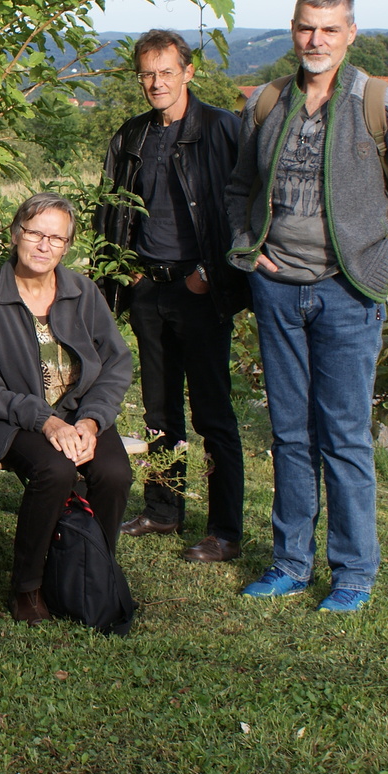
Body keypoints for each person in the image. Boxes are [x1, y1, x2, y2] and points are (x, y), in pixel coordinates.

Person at [226, 0, 388, 612]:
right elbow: (238, 188)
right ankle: (290, 563)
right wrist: (247, 248)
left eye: (330, 28)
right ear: (293, 29)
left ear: (351, 33)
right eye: (307, 27)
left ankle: (353, 574)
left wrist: (380, 261)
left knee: (345, 438)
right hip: (278, 291)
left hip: (349, 296)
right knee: (290, 433)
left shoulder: (385, 105)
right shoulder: (266, 101)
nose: (316, 40)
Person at [95, 29, 250, 563]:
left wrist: (211, 272)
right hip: (147, 287)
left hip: (201, 288)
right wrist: (126, 273)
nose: (157, 82)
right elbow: (111, 209)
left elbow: (245, 208)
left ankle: (225, 531)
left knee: (212, 413)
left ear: (188, 72)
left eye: (166, 72)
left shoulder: (222, 129)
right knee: (159, 409)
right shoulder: (132, 135)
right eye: (147, 74)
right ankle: (163, 510)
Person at [0, 193, 134, 625]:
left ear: (67, 246)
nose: (45, 246)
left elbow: (116, 362)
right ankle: (28, 585)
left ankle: (92, 568)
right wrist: (46, 422)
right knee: (56, 471)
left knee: (114, 473)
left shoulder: (83, 291)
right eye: (35, 234)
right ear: (15, 234)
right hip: (17, 418)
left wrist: (91, 421)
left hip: (81, 413)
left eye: (57, 238)